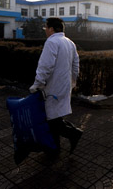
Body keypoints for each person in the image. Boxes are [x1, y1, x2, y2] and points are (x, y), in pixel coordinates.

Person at [29, 17, 82, 155]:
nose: (45, 31)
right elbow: (76, 65)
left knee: (52, 119)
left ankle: (72, 134)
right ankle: (53, 148)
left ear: (51, 28)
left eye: (46, 28)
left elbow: (45, 66)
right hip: (64, 85)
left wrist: (37, 85)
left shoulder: (52, 42)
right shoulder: (70, 43)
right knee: (55, 117)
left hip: (53, 87)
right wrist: (73, 82)